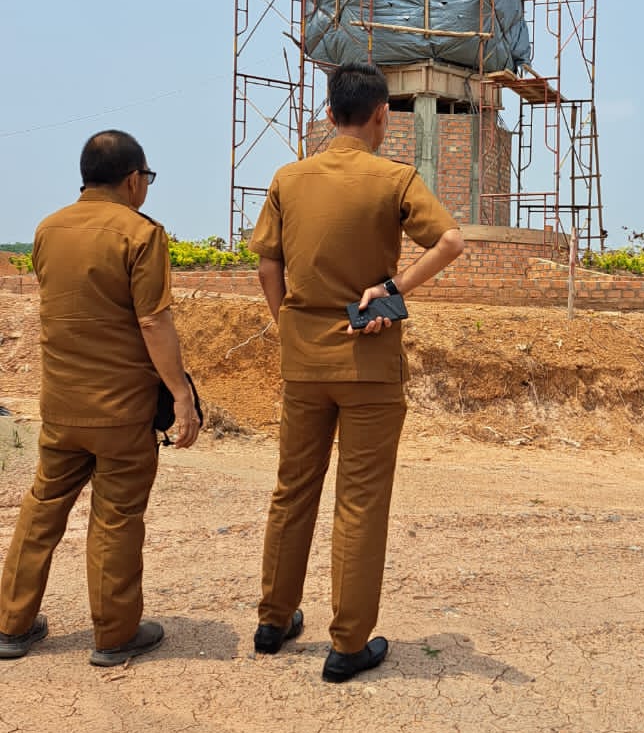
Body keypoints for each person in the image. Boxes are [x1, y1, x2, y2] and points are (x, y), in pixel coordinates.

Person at [249, 62, 464, 683]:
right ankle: (346, 644)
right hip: (369, 359)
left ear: (328, 111)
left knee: (293, 489)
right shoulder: (393, 179)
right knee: (360, 500)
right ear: (380, 115)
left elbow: (268, 268)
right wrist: (392, 287)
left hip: (304, 359)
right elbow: (449, 241)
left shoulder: (289, 178)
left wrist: (290, 323)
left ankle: (273, 619)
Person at [0, 131, 200, 666]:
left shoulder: (47, 230)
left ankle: (11, 626)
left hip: (62, 407)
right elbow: (153, 321)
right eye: (147, 180)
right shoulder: (140, 235)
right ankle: (114, 636)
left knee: (41, 510)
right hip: (121, 412)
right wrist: (181, 393)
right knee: (115, 518)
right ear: (134, 179)